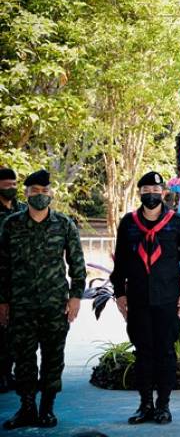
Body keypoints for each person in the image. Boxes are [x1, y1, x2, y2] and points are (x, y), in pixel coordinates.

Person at [0, 170, 86, 429]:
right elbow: (2, 266)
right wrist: (2, 301)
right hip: (21, 305)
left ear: (51, 194)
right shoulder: (11, 224)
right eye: (35, 191)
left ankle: (47, 408)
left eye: (44, 191)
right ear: (26, 194)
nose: (40, 195)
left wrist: (75, 297)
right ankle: (27, 408)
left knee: (53, 358)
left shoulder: (64, 224)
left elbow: (77, 264)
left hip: (54, 306)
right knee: (24, 359)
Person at [110, 171, 180, 425]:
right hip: (138, 300)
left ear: (163, 193)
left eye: (156, 190)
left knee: (166, 353)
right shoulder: (129, 223)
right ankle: (145, 405)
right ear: (140, 193)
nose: (151, 194)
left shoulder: (177, 222)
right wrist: (119, 293)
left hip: (168, 300)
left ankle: (163, 406)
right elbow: (121, 261)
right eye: (146, 190)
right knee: (143, 353)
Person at [0, 168, 26, 394]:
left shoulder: (23, 210)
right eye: (7, 185)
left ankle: (13, 374)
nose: (12, 188)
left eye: (14, 184)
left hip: (20, 281)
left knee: (17, 332)